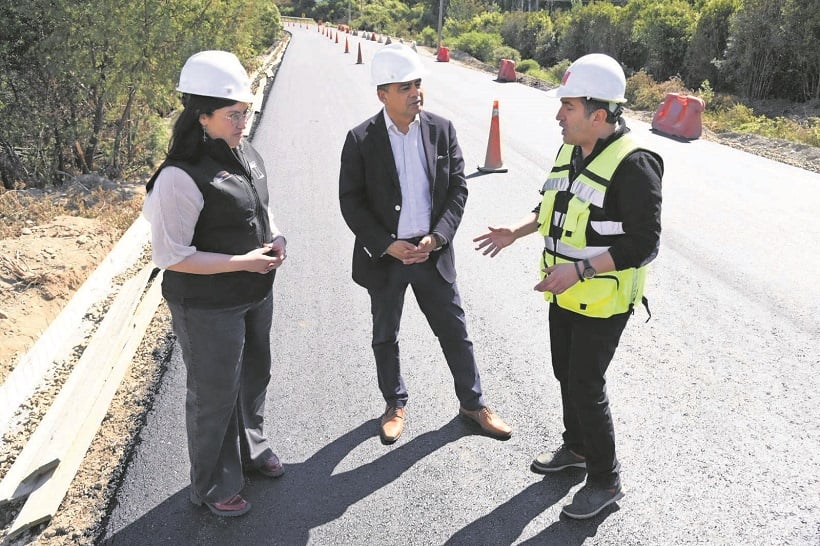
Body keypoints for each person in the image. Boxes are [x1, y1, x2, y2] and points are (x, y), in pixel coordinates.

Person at [474, 53, 663, 519]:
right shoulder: (571, 149)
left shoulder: (635, 164)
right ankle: (576, 449)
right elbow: (550, 207)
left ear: (598, 115)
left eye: (569, 107)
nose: (559, 115)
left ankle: (605, 479)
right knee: (565, 374)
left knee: (585, 383)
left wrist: (581, 270)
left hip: (602, 297)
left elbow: (644, 243)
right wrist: (514, 232)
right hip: (564, 291)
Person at [339, 43, 512, 444]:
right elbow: (351, 201)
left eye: (417, 83)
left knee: (455, 330)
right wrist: (386, 244)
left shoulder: (440, 129)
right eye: (405, 86)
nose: (416, 92)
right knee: (386, 333)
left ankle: (473, 404)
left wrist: (438, 237)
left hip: (432, 253)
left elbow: (457, 189)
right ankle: (394, 404)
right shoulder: (361, 139)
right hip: (388, 257)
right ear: (383, 94)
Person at [143, 50, 287, 517]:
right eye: (232, 115)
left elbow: (258, 207)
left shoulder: (244, 152)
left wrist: (275, 235)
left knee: (253, 376)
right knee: (213, 393)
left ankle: (252, 447)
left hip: (252, 293)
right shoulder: (179, 178)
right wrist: (242, 261)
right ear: (201, 117)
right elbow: (172, 257)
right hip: (206, 306)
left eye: (245, 113)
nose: (242, 122)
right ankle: (211, 484)